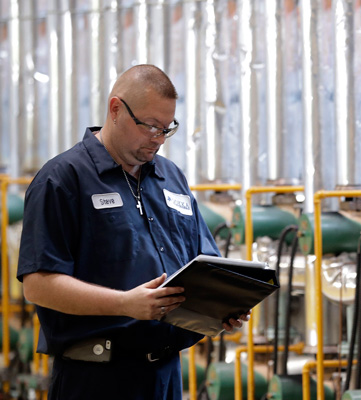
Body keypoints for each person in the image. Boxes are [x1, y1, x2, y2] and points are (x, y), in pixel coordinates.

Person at [17, 64, 248, 399]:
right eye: (150, 126)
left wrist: (222, 304)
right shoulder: (63, 179)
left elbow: (204, 261)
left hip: (166, 375)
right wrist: (125, 304)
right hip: (96, 379)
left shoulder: (171, 177)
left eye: (167, 129)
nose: (158, 139)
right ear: (115, 109)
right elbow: (38, 286)